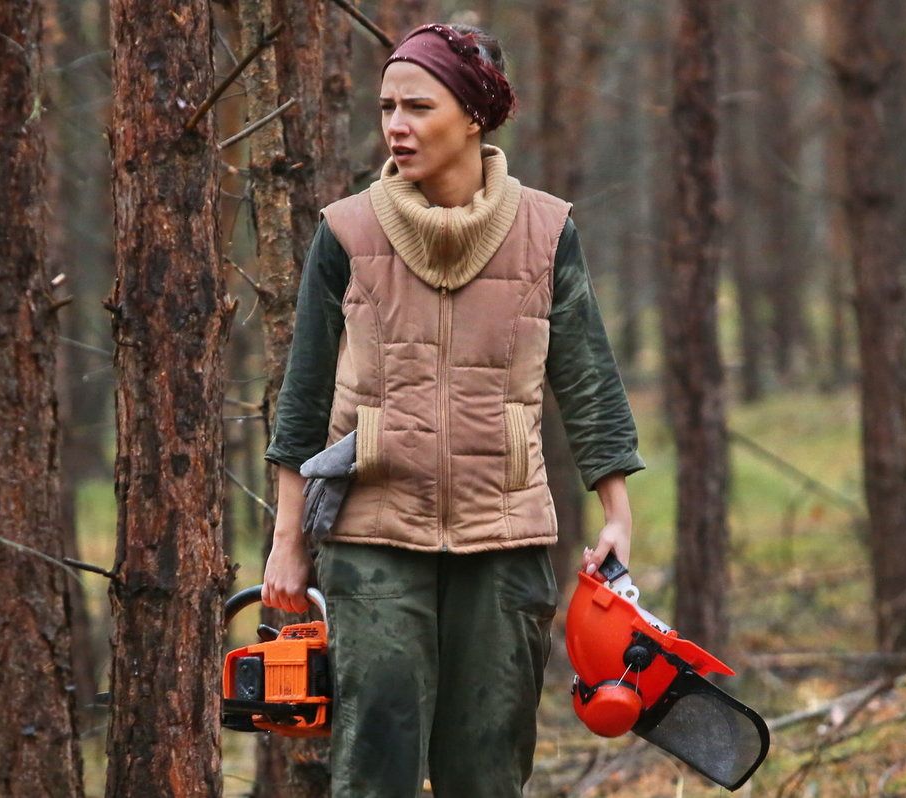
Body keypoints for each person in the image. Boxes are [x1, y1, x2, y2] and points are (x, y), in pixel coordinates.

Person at [261, 22, 645, 798]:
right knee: (377, 763)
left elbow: (589, 379)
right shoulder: (346, 231)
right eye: (385, 108)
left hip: (503, 535)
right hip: (371, 533)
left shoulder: (546, 231)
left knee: (487, 767)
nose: (395, 126)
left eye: (417, 106)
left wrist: (617, 516)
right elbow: (302, 398)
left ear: (473, 114)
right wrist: (287, 543)